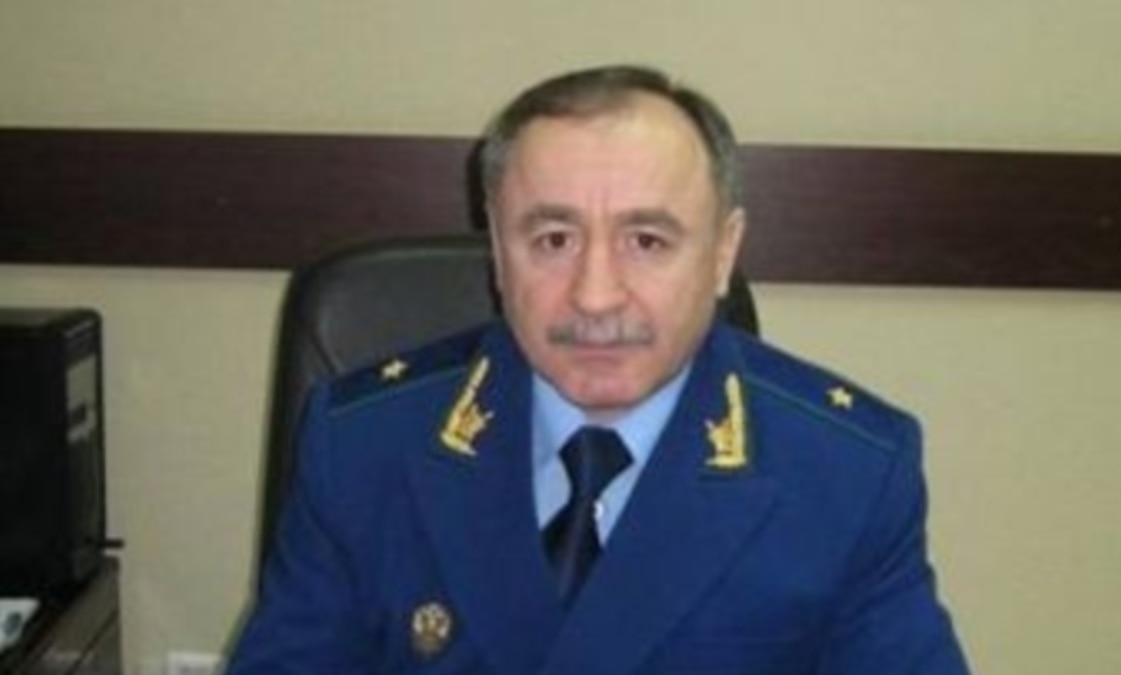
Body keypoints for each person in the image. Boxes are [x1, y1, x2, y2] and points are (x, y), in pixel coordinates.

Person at [226, 65, 971, 675]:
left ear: (722, 252)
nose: (595, 295)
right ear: (498, 250)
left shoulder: (846, 477)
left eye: (647, 241)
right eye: (553, 239)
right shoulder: (362, 449)